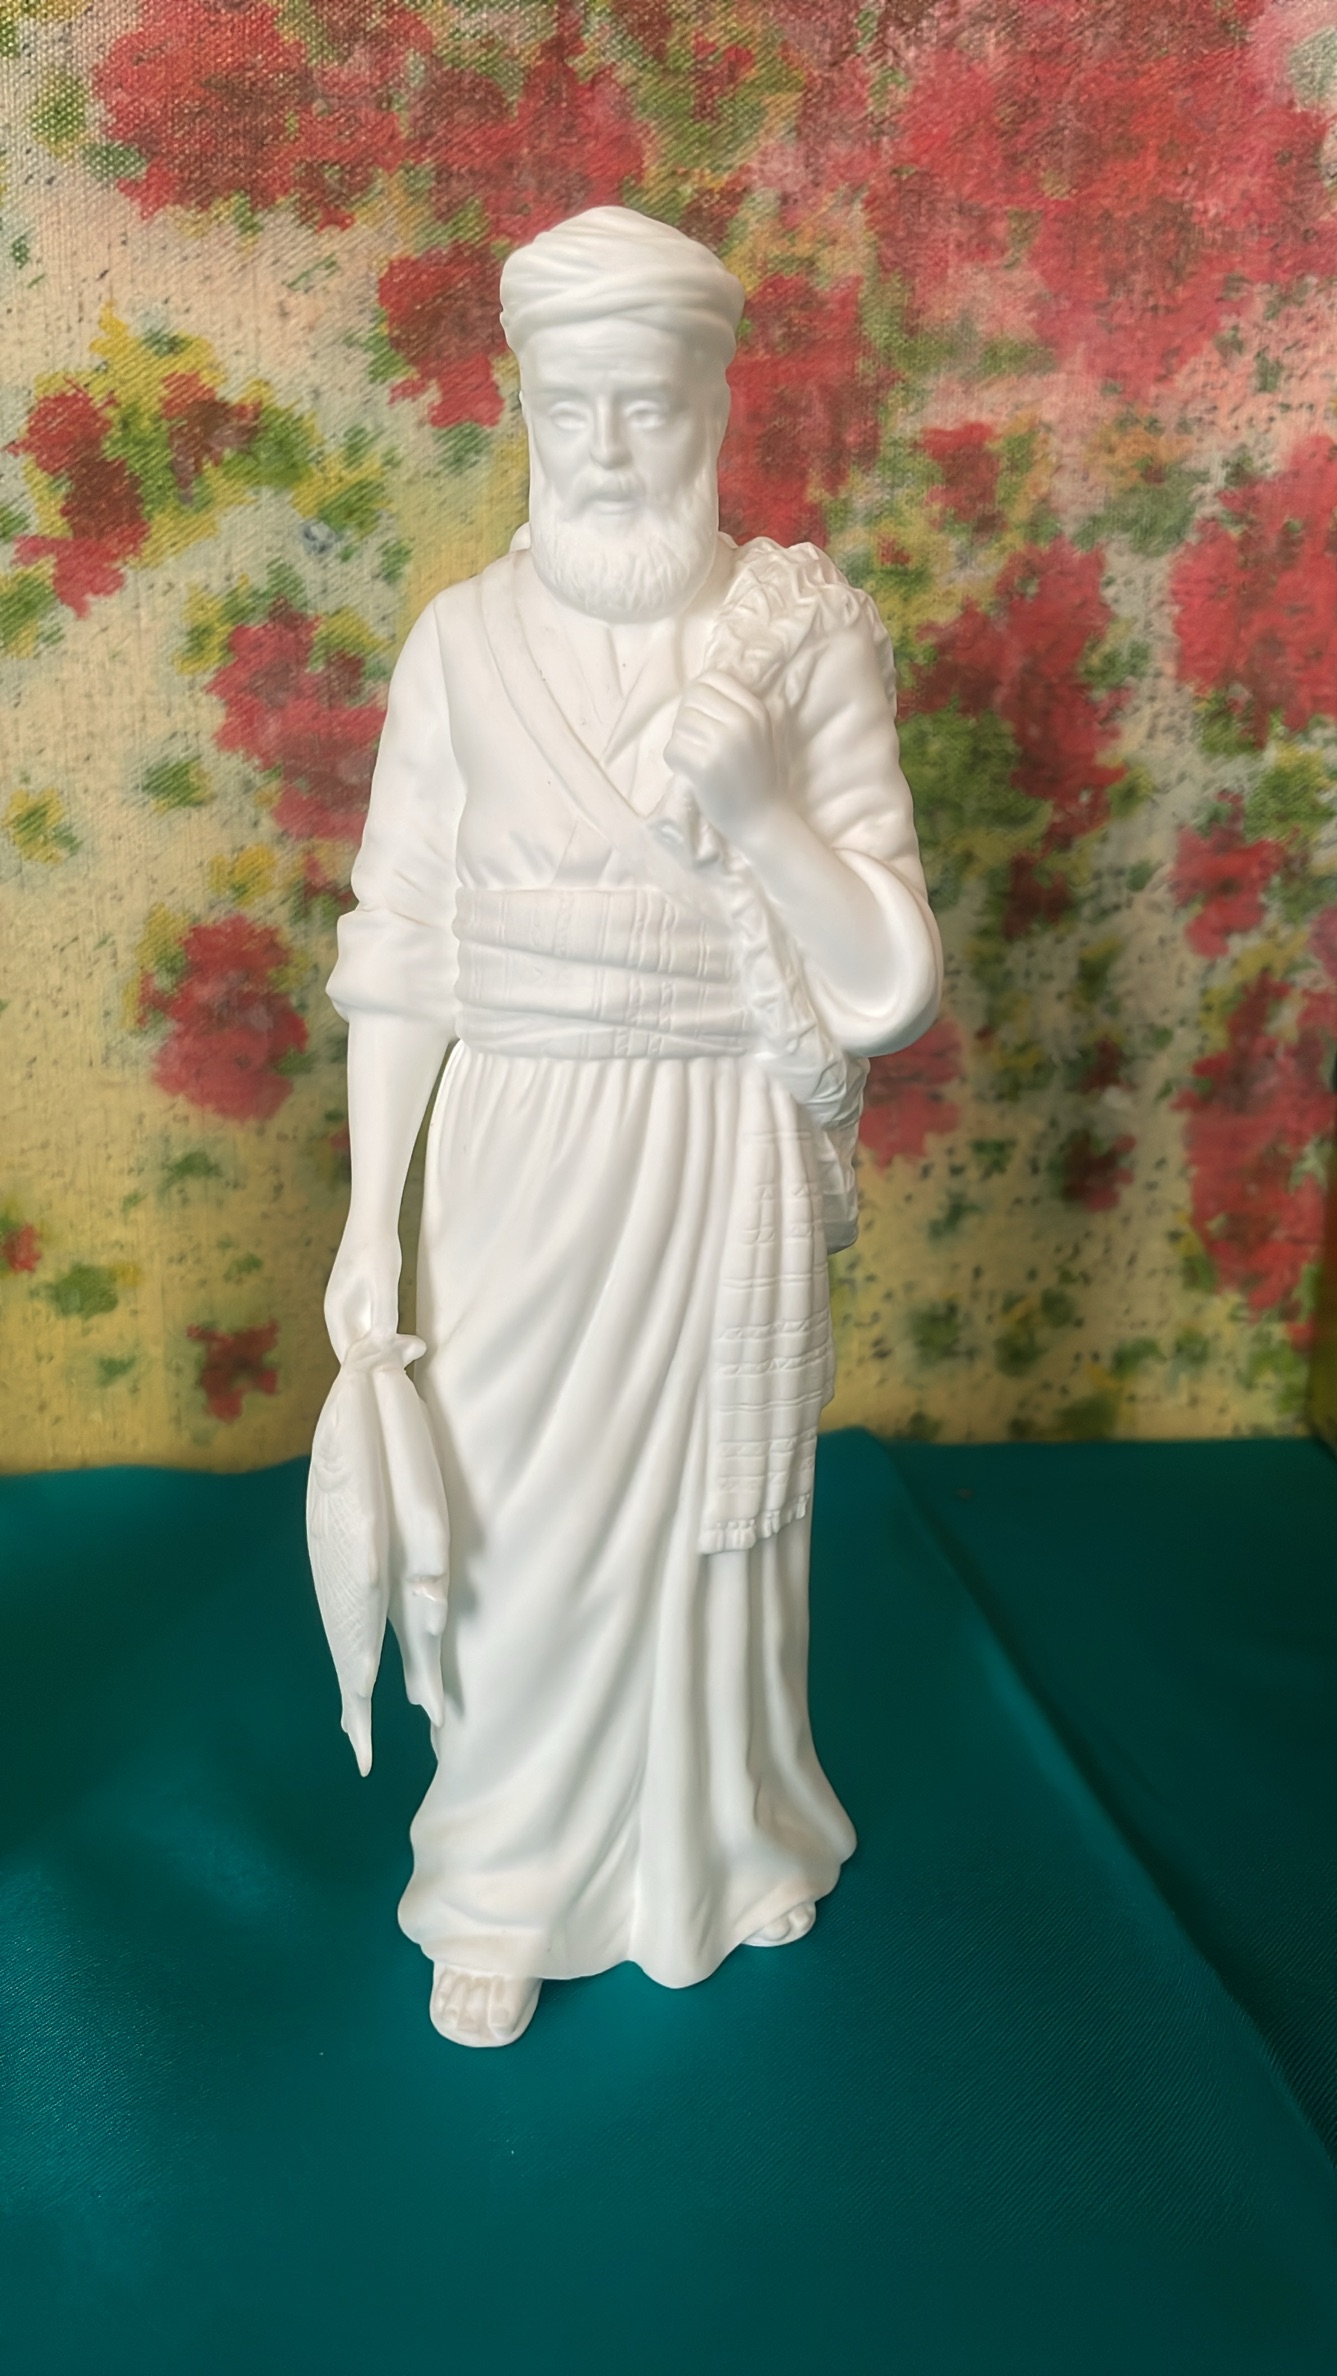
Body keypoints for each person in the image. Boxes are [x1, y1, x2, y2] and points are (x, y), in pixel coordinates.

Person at [321, 205, 942, 2047]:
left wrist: (757, 812)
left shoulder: (800, 641)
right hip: (512, 1156)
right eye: (568, 404)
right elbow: (400, 947)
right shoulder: (458, 645)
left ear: (716, 407)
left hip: (717, 1149)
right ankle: (503, 1882)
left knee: (708, 1536)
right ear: (516, 402)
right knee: (513, 1525)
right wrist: (368, 1223)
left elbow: (888, 981)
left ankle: (719, 1841)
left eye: (646, 406)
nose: (604, 446)